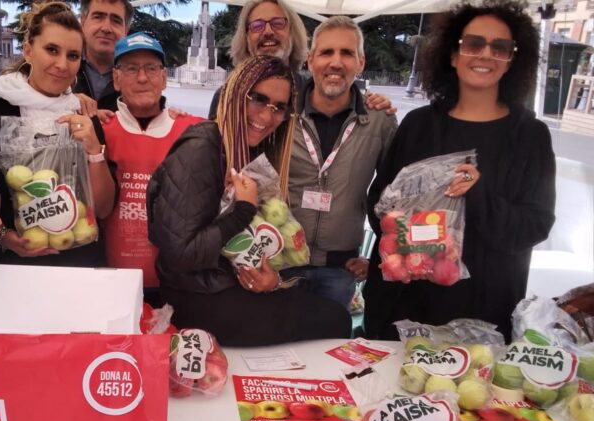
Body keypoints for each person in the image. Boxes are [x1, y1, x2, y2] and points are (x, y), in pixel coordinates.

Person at [363, 0, 556, 341]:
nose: (485, 54)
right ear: (453, 55)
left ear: (512, 60)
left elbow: (534, 226)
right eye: (473, 44)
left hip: (481, 311)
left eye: (500, 47)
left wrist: (478, 194)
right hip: (404, 304)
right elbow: (379, 202)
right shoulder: (419, 125)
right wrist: (410, 243)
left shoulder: (529, 136)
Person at [147, 55, 352, 346]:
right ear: (233, 94)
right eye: (258, 99)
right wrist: (242, 210)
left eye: (279, 108)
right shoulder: (201, 149)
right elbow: (180, 255)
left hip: (223, 288)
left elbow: (239, 243)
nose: (267, 117)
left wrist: (272, 280)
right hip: (198, 300)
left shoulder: (243, 150)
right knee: (336, 319)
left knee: (330, 314)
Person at [0, 1, 115, 267]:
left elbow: (102, 208)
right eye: (51, 50)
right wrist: (2, 236)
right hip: (8, 266)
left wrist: (93, 150)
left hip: (80, 265)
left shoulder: (83, 115)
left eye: (73, 55)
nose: (62, 64)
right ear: (29, 51)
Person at [283, 17, 398, 311]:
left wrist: (377, 257)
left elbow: (393, 197)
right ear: (310, 60)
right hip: (281, 262)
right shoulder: (283, 114)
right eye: (326, 53)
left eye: (346, 53)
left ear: (360, 62)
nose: (336, 62)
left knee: (330, 349)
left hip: (339, 269)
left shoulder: (379, 120)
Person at [102, 32, 203, 305]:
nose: (143, 78)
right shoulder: (98, 129)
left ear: (164, 78)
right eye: (132, 69)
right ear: (116, 78)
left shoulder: (192, 129)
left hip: (174, 284)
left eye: (151, 68)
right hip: (111, 281)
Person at [207, 0, 307, 119]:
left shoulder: (310, 93)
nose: (268, 31)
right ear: (246, 37)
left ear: (292, 32)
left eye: (278, 23)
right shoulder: (227, 95)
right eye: (257, 26)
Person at [74, 0, 133, 112]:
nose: (106, 28)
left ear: (126, 31)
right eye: (98, 17)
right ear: (82, 22)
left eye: (116, 20)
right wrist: (67, 102)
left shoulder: (137, 77)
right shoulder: (61, 63)